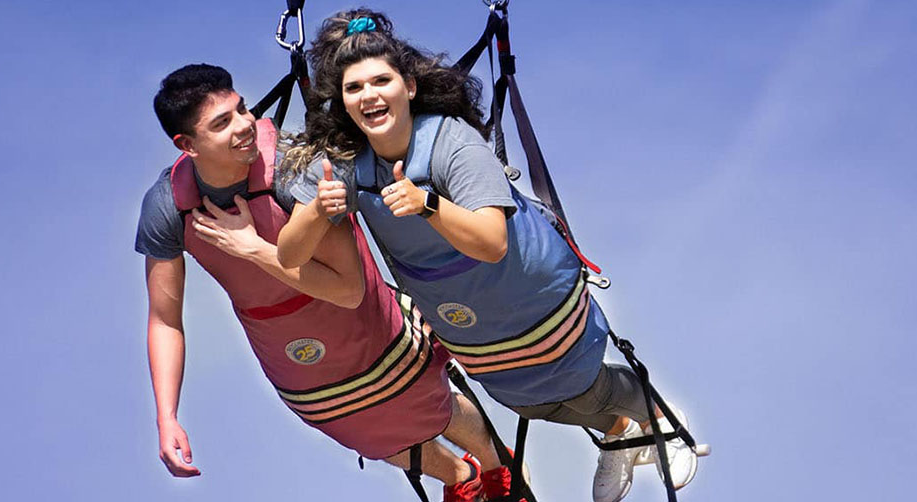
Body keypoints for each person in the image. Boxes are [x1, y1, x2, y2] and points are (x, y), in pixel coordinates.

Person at [276, 10, 700, 502]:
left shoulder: (451, 141)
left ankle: (658, 417)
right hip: (465, 317)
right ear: (342, 101)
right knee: (529, 401)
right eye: (354, 88)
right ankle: (620, 431)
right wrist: (313, 215)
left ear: (408, 86)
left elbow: (493, 241)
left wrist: (426, 204)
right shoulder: (348, 164)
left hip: (526, 291)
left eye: (381, 81)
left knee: (579, 382)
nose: (369, 95)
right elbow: (291, 255)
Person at [135, 63, 511, 502]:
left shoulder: (297, 171)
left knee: (430, 405)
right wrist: (167, 417)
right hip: (294, 362)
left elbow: (348, 290)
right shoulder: (169, 207)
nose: (244, 127)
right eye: (222, 124)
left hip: (369, 327)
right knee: (370, 436)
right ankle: (459, 479)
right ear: (187, 145)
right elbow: (165, 320)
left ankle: (496, 468)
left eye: (241, 110)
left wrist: (252, 247)